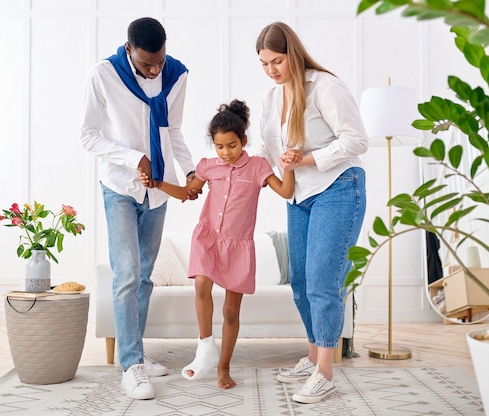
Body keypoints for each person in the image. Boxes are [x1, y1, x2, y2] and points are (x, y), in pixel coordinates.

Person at [139, 99, 296, 389]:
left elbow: (286, 192)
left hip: (238, 246)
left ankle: (223, 367)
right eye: (220, 147)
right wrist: (158, 184)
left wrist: (287, 165)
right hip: (208, 237)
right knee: (201, 284)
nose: (226, 153)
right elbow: (188, 193)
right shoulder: (209, 167)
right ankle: (205, 346)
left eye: (232, 146)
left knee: (231, 312)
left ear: (244, 141)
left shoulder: (258, 167)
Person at [79, 17, 197, 400]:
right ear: (128, 49)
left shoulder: (176, 75)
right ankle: (131, 365)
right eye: (147, 63)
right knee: (127, 273)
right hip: (119, 185)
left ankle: (137, 356)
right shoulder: (103, 75)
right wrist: (134, 158)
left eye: (159, 60)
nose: (154, 69)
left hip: (158, 191)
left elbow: (173, 131)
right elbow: (88, 136)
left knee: (145, 276)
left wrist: (192, 171)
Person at [256, 22, 368, 404]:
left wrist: (307, 159)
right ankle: (311, 356)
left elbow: (357, 140)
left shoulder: (325, 87)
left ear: (294, 53)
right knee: (302, 282)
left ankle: (325, 372)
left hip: (338, 188)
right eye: (264, 63)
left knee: (323, 282)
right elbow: (267, 147)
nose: (271, 69)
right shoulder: (272, 99)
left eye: (277, 60)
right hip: (298, 196)